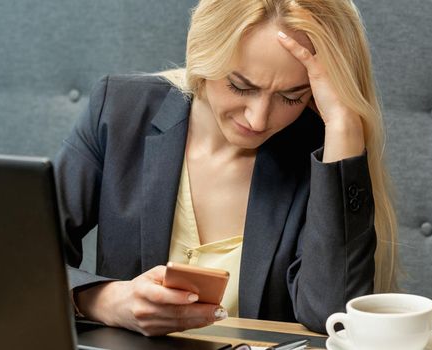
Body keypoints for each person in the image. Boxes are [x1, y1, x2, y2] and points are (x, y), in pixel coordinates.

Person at [54, 0, 398, 337]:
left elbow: (331, 315)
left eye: (292, 97)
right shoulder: (119, 111)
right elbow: (17, 256)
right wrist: (104, 300)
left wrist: (343, 127)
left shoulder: (321, 154)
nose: (259, 118)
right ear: (202, 53)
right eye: (241, 86)